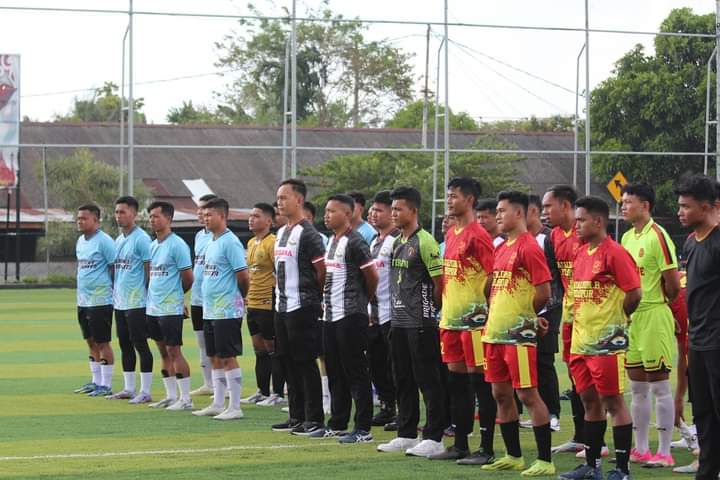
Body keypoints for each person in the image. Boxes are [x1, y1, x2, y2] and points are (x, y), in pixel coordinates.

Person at [558, 195, 641, 480]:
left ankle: (622, 470)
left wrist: (616, 320)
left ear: (598, 221)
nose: (576, 225)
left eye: (581, 220)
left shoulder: (614, 253)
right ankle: (591, 466)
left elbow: (634, 293)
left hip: (606, 345)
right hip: (581, 343)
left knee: (613, 402)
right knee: (589, 402)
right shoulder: (581, 253)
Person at [480, 191, 555, 477]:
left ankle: (545, 460)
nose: (497, 216)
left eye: (502, 211)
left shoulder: (529, 247)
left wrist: (527, 317)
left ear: (519, 213)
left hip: (517, 336)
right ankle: (513, 455)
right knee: (500, 394)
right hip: (494, 334)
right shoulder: (501, 247)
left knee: (527, 394)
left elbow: (543, 292)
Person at [376, 187, 448, 458]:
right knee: (402, 379)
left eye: (398, 209)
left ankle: (434, 437)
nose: (394, 213)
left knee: (428, 381)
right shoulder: (397, 242)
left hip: (421, 323)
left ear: (414, 211)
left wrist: (430, 312)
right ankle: (406, 434)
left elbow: (440, 283)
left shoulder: (426, 242)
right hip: (398, 322)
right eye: (392, 209)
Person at [431, 177, 497, 465]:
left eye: (454, 196)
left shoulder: (478, 235)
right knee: (456, 383)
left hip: (473, 323)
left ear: (469, 200)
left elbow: (493, 275)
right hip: (450, 321)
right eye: (448, 195)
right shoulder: (451, 234)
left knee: (480, 383)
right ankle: (460, 444)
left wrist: (481, 307)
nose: (449, 200)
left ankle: (486, 447)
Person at [620, 182, 680, 468]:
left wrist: (659, 304)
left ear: (644, 205)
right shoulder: (626, 237)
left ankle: (665, 451)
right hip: (633, 319)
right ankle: (641, 448)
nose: (623, 207)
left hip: (654, 315)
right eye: (622, 202)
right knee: (637, 387)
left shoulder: (659, 236)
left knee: (660, 387)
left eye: (628, 202)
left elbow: (673, 284)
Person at [309, 194, 378, 443]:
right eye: (326, 211)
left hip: (350, 315)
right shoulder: (331, 241)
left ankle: (363, 428)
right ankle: (338, 423)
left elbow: (372, 277)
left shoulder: (355, 242)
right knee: (335, 370)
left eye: (332, 211)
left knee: (356, 372)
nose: (326, 215)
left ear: (347, 214)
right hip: (330, 315)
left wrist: (361, 301)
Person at [271, 179, 327, 436]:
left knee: (305, 362)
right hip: (281, 306)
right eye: (278, 198)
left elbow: (321, 271)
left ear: (299, 200)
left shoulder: (308, 233)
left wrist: (313, 298)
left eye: (284, 198)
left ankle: (314, 418)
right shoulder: (282, 232)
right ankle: (296, 415)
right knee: (286, 362)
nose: (279, 203)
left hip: (302, 306)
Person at [542, 185, 594, 456]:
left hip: (592, 317)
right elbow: (555, 278)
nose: (544, 212)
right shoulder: (552, 237)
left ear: (565, 206)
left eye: (548, 206)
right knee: (574, 375)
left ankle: (597, 441)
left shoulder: (584, 232)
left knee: (591, 378)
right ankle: (579, 436)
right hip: (569, 316)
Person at [675, 174, 720, 479]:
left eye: (686, 206)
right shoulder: (691, 242)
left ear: (706, 207)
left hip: (718, 342)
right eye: (680, 205)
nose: (680, 211)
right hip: (698, 341)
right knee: (703, 413)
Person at [191, 198, 249, 420]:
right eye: (204, 215)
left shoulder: (230, 242)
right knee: (214, 355)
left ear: (223, 216)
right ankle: (217, 402)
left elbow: (243, 276)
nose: (205, 218)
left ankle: (235, 406)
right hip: (210, 309)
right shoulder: (211, 242)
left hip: (226, 310)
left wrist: (240, 298)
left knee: (228, 356)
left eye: (210, 215)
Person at [145, 201, 194, 411]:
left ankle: (186, 398)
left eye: (156, 216)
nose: (152, 220)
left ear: (169, 219)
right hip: (153, 307)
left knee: (174, 351)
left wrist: (177, 297)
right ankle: (170, 396)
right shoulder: (153, 245)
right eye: (150, 217)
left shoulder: (177, 245)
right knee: (163, 352)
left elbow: (188, 278)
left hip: (170, 308)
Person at [108, 196, 154, 404]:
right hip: (120, 302)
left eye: (123, 212)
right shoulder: (118, 240)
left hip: (137, 302)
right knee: (125, 344)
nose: (118, 216)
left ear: (134, 214)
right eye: (116, 212)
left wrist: (146, 296)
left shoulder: (141, 239)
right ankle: (129, 388)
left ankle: (145, 391)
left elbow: (149, 269)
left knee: (140, 344)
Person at [243, 202, 286, 407]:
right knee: (258, 349)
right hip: (252, 302)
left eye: (256, 216)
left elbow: (280, 273)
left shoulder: (273, 243)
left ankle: (278, 392)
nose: (251, 219)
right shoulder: (251, 242)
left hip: (268, 302)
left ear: (269, 221)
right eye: (251, 215)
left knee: (273, 348)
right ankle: (262, 391)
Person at [526, 194, 562, 433]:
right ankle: (537, 412)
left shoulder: (549, 238)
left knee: (544, 359)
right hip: (526, 307)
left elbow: (558, 273)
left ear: (532, 212)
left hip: (550, 307)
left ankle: (553, 413)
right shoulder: (519, 240)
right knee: (529, 359)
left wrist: (553, 302)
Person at [74, 204, 116, 397]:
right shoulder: (80, 241)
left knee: (102, 342)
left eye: (84, 218)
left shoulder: (104, 241)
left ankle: (106, 384)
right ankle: (95, 381)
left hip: (100, 300)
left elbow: (115, 267)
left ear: (96, 220)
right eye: (78, 218)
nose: (80, 221)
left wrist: (113, 291)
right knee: (90, 341)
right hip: (83, 300)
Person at [366, 191, 399, 430]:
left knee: (395, 366)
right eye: (372, 210)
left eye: (379, 210)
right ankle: (387, 407)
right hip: (373, 315)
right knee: (376, 365)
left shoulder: (397, 240)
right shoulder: (374, 241)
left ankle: (401, 411)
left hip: (393, 315)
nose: (373, 214)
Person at [189, 194, 217, 397]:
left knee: (215, 344)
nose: (200, 213)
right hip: (197, 297)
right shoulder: (199, 235)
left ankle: (221, 385)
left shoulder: (221, 237)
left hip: (214, 300)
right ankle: (208, 383)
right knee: (201, 343)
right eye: (199, 209)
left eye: (204, 209)